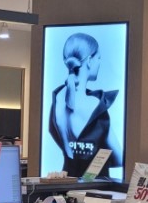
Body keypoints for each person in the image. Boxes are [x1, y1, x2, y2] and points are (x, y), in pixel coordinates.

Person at [49, 33, 122, 178]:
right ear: (89, 60)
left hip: (66, 181)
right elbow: (119, 158)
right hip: (95, 185)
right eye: (99, 58)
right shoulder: (95, 105)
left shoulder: (57, 98)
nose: (99, 63)